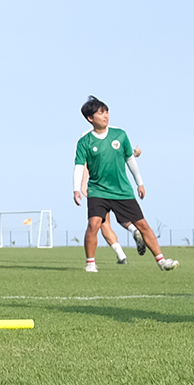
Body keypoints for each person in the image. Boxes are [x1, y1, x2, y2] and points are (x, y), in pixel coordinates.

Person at [73, 96, 176, 273]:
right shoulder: (85, 141)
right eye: (100, 113)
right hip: (98, 190)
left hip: (122, 191)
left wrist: (140, 183)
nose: (105, 116)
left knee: (143, 225)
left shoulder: (120, 134)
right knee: (94, 225)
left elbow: (130, 159)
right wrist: (76, 189)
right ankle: (91, 264)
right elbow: (79, 166)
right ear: (90, 118)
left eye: (106, 112)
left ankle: (161, 261)